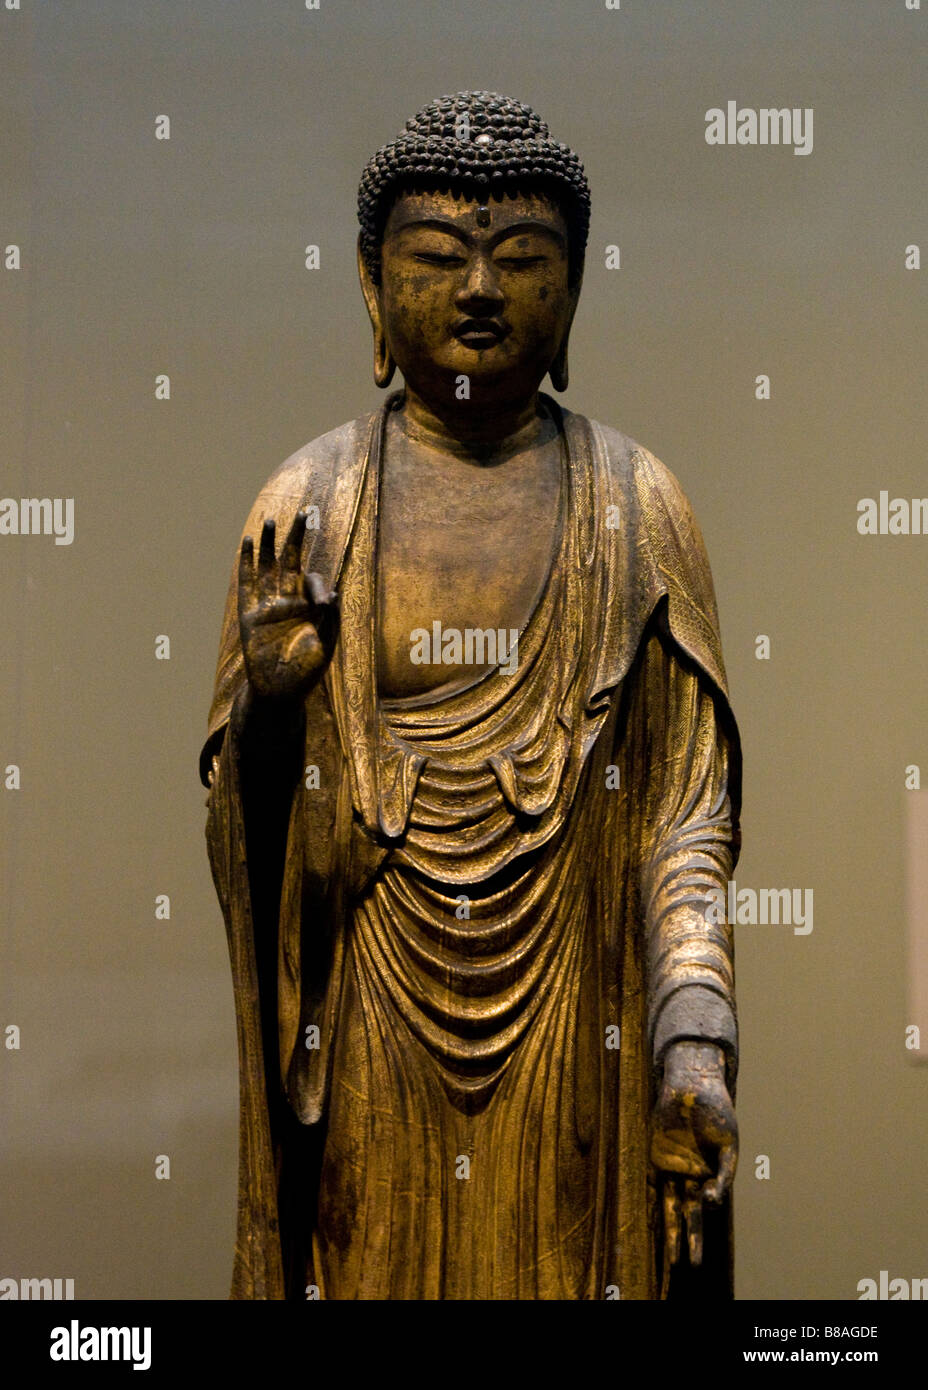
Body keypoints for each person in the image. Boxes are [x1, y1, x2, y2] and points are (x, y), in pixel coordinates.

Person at [201, 92, 742, 1300]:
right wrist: (276, 717)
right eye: (439, 257)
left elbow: (683, 819)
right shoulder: (310, 505)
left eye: (525, 260)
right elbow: (247, 843)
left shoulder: (638, 512)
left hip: (576, 1035)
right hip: (376, 1035)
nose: (482, 290)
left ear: (574, 293)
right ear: (369, 287)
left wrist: (692, 1036)